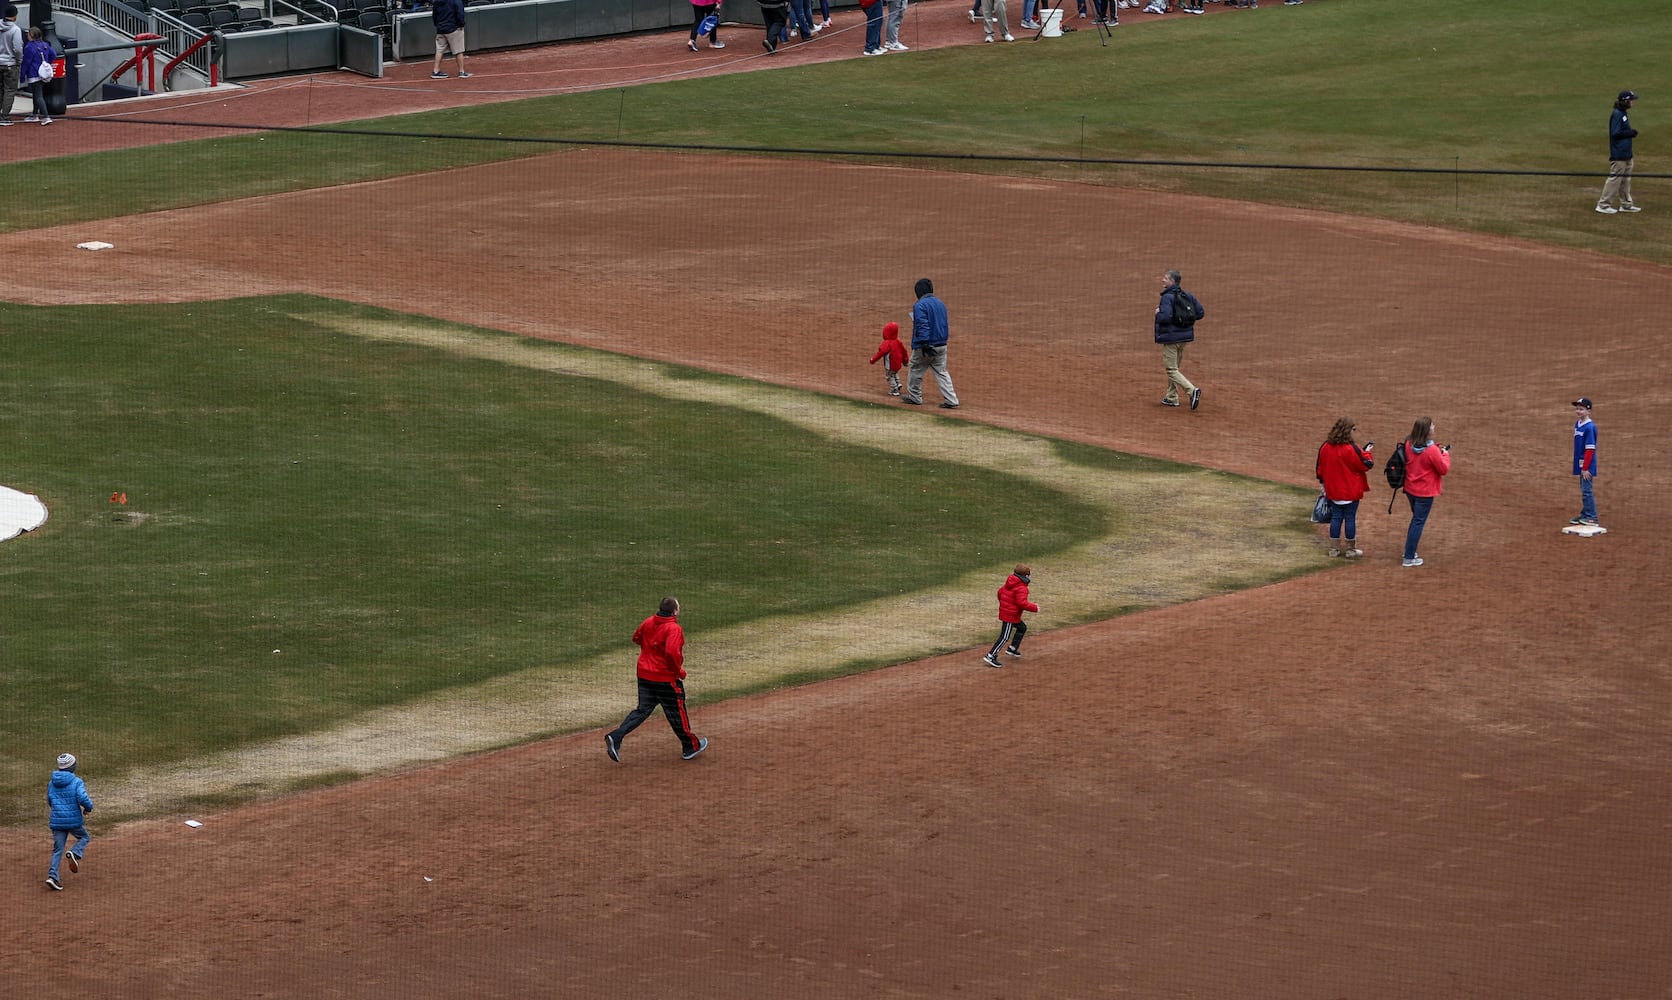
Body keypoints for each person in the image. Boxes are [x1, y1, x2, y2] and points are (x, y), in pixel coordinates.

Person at [605, 597, 708, 762]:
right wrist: (678, 672)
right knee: (676, 711)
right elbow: (672, 653)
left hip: (644, 675)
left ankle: (616, 737)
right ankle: (691, 746)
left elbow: (636, 638)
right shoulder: (673, 629)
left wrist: (651, 649)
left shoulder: (648, 622)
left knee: (642, 710)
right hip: (665, 679)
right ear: (674, 611)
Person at [1315, 417, 1374, 558]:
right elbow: (1366, 464)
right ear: (1349, 431)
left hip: (1333, 491)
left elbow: (1319, 470)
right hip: (1350, 492)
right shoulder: (1351, 448)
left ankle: (1334, 550)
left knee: (1336, 518)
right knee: (1350, 519)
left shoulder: (1325, 447)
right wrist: (1367, 452)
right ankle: (1350, 550)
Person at [1399, 416, 1451, 568]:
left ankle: (1409, 551)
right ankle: (1408, 557)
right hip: (1424, 492)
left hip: (1410, 489)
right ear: (1427, 431)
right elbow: (1443, 469)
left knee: (1416, 520)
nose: (1434, 428)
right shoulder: (1432, 450)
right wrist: (1445, 455)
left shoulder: (1409, 443)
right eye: (1432, 426)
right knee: (1418, 522)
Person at [904, 277, 959, 408]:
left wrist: (924, 343)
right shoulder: (941, 303)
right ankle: (952, 400)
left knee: (915, 368)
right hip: (941, 344)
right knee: (941, 371)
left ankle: (915, 397)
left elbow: (923, 325)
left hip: (926, 345)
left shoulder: (920, 305)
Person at [1154, 269, 1203, 410]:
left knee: (1171, 369)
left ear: (1172, 281)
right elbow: (1200, 313)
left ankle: (1192, 390)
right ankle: (1172, 397)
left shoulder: (1167, 297)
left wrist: (1158, 313)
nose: (1163, 280)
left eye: (1165, 278)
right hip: (1184, 338)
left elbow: (1166, 317)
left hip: (1171, 338)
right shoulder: (1187, 295)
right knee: (1175, 368)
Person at [45, 753, 93, 892]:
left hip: (56, 820)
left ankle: (52, 876)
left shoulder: (51, 782)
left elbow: (50, 800)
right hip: (73, 821)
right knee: (84, 837)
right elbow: (82, 798)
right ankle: (75, 853)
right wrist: (88, 808)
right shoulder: (76, 781)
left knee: (57, 850)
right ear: (72, 766)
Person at [982, 565, 1039, 668]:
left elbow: (1000, 592)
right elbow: (1022, 603)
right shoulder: (1022, 587)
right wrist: (1035, 608)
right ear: (1025, 576)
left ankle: (1012, 648)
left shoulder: (1010, 582)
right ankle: (991, 655)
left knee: (1022, 628)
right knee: (1004, 636)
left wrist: (1005, 605)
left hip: (1009, 612)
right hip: (1010, 615)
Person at [1595, 91, 1640, 215]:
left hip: (1627, 153)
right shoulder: (1617, 114)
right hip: (1619, 154)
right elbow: (1615, 133)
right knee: (1615, 179)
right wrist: (1630, 133)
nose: (1632, 102)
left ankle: (1626, 204)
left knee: (1626, 180)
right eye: (1631, 100)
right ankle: (1603, 205)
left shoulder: (1623, 113)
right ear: (1625, 101)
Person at [1570, 396, 1600, 527]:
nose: (1578, 411)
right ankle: (1585, 514)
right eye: (1577, 409)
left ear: (1588, 411)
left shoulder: (1590, 427)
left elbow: (1590, 450)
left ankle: (1592, 517)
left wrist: (1586, 468)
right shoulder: (1578, 424)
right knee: (1584, 489)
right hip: (1581, 463)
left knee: (1587, 490)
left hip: (1587, 465)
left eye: (1581, 409)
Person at [430, 0, 470, 79]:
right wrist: (461, 24)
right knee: (458, 51)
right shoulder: (456, 1)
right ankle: (461, 71)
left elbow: (434, 15)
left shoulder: (437, 1)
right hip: (454, 28)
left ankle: (436, 71)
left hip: (440, 29)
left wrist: (438, 25)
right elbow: (460, 13)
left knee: (439, 50)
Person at [20, 25, 51, 125]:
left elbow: (26, 62)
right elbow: (53, 54)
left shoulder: (29, 47)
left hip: (33, 73)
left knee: (38, 96)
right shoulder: (45, 44)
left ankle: (46, 116)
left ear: (32, 35)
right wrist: (46, 63)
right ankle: (34, 114)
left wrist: (22, 75)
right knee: (37, 94)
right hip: (43, 74)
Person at [869, 320, 908, 396]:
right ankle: (898, 383)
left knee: (889, 376)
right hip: (898, 364)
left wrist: (872, 360)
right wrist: (905, 361)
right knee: (895, 373)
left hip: (890, 365)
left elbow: (880, 353)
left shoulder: (887, 343)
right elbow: (904, 351)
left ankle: (894, 389)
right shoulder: (898, 341)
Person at [0, 4, 22, 127]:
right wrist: (19, 61)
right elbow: (18, 48)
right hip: (10, 63)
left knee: (0, 89)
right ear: (14, 16)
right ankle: (5, 117)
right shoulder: (15, 30)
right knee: (9, 90)